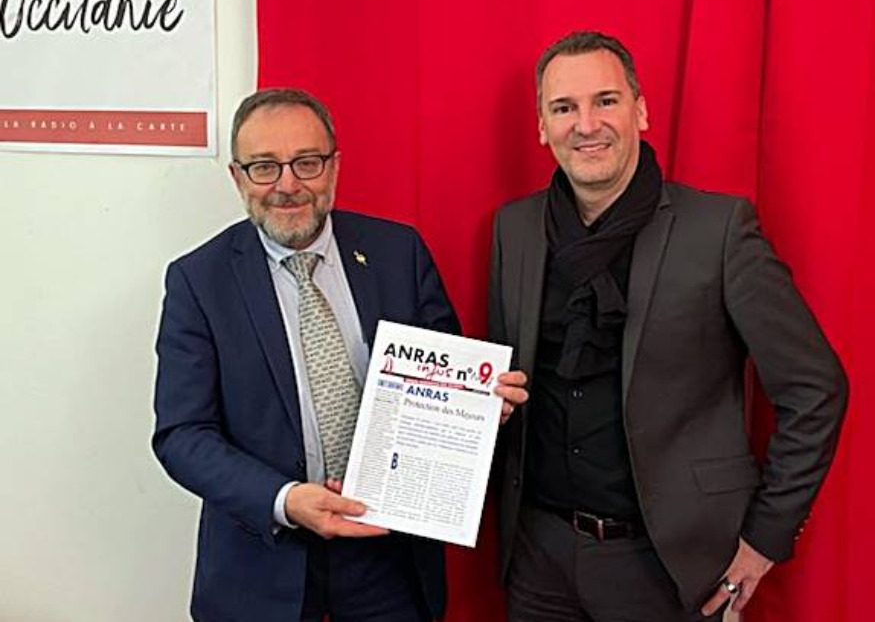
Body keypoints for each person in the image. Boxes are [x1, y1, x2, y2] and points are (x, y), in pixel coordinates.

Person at [488, 31, 848, 621]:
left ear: (641, 111)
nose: (586, 124)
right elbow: (505, 381)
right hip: (538, 559)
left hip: (672, 565)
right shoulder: (514, 229)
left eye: (605, 101)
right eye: (564, 107)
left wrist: (766, 537)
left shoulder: (719, 230)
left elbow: (816, 388)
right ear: (542, 127)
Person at [153, 88, 526, 622]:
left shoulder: (399, 252)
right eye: (265, 167)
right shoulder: (198, 281)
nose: (288, 185)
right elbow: (182, 434)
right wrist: (285, 499)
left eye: (307, 162)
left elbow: (445, 390)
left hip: (389, 560)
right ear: (237, 178)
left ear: (334, 167)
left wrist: (481, 407)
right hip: (262, 565)